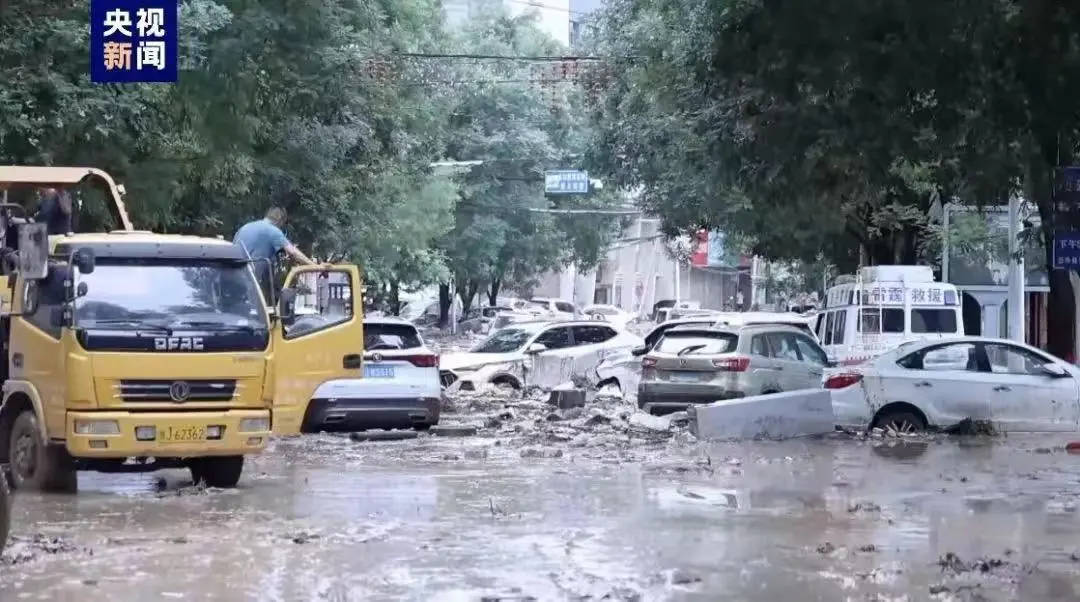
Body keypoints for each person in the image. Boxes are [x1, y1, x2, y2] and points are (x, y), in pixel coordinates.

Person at [233, 207, 315, 303]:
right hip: (250, 281)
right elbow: (293, 252)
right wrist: (313, 265)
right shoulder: (273, 231)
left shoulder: (244, 228)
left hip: (233, 276)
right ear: (280, 220)